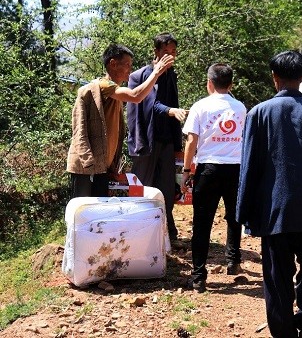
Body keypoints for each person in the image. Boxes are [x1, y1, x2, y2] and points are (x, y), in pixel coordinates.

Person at [236, 51, 302, 338]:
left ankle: (283, 331)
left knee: (276, 274)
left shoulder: (258, 114)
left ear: (275, 78)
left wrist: (243, 212)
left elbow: (250, 166)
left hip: (274, 209)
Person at [66, 43, 174, 198]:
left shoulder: (115, 93)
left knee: (99, 214)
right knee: (82, 213)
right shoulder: (103, 85)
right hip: (86, 165)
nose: (130, 70)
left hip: (102, 167)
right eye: (127, 65)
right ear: (113, 64)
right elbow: (135, 96)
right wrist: (156, 72)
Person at [181, 63, 246, 293]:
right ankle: (233, 261)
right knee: (234, 216)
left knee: (202, 222)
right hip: (235, 169)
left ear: (209, 83)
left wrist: (187, 171)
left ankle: (199, 277)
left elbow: (191, 141)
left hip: (208, 169)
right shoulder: (240, 108)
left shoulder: (200, 107)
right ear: (231, 84)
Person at [126, 32, 187, 244]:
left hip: (167, 141)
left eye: (173, 52)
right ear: (156, 53)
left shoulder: (171, 75)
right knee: (144, 188)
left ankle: (168, 234)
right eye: (166, 52)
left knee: (167, 189)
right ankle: (140, 235)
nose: (171, 56)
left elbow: (172, 105)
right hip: (146, 141)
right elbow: (150, 105)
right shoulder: (141, 76)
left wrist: (178, 144)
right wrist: (171, 111)